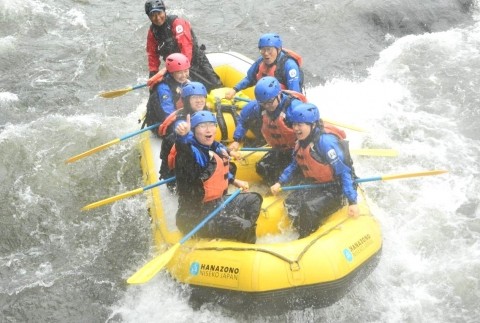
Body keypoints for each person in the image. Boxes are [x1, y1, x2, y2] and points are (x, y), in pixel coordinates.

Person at [270, 103, 359, 238]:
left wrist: (352, 202)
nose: (296, 129)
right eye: (294, 124)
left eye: (300, 125)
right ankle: (300, 231)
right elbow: (295, 165)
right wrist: (280, 182)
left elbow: (344, 172)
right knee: (291, 203)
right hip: (317, 185)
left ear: (312, 125)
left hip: (336, 187)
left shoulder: (326, 143)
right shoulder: (301, 141)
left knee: (309, 208)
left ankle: (306, 236)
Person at [173, 111, 262, 243]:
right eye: (202, 126)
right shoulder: (190, 153)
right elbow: (185, 154)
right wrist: (182, 137)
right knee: (245, 226)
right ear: (194, 131)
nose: (208, 129)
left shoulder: (212, 146)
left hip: (216, 205)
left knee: (254, 199)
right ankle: (240, 233)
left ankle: (231, 231)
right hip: (195, 217)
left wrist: (233, 180)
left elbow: (215, 171)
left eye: (211, 125)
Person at [228, 76, 304, 184]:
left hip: (298, 151)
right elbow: (243, 119)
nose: (267, 106)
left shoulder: (293, 108)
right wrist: (237, 139)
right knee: (263, 167)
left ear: (278, 95)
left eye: (270, 102)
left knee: (293, 175)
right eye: (263, 103)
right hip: (281, 149)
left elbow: (307, 135)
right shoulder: (259, 105)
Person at [144, 0, 223, 92]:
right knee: (176, 93)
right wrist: (153, 74)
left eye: (159, 13)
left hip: (195, 62)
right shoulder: (152, 32)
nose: (157, 18)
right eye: (153, 15)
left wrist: (179, 69)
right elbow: (152, 55)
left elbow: (186, 48)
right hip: (174, 69)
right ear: (149, 17)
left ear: (164, 11)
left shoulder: (178, 23)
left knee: (214, 86)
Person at [224, 33, 304, 100]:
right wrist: (235, 89)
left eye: (269, 49)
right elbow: (249, 79)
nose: (265, 53)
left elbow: (295, 95)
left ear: (278, 50)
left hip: (281, 103)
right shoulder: (260, 62)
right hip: (265, 102)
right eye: (263, 50)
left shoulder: (289, 66)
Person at [158, 81, 209, 183]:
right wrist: (184, 130)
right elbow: (180, 125)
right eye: (194, 97)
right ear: (187, 100)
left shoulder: (207, 112)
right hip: (183, 163)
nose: (199, 100)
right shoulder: (181, 118)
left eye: (201, 97)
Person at [143, 53, 190, 134]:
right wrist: (180, 124)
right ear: (172, 73)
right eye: (179, 72)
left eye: (186, 71)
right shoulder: (163, 88)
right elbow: (168, 112)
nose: (184, 75)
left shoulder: (186, 81)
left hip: (179, 113)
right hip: (163, 121)